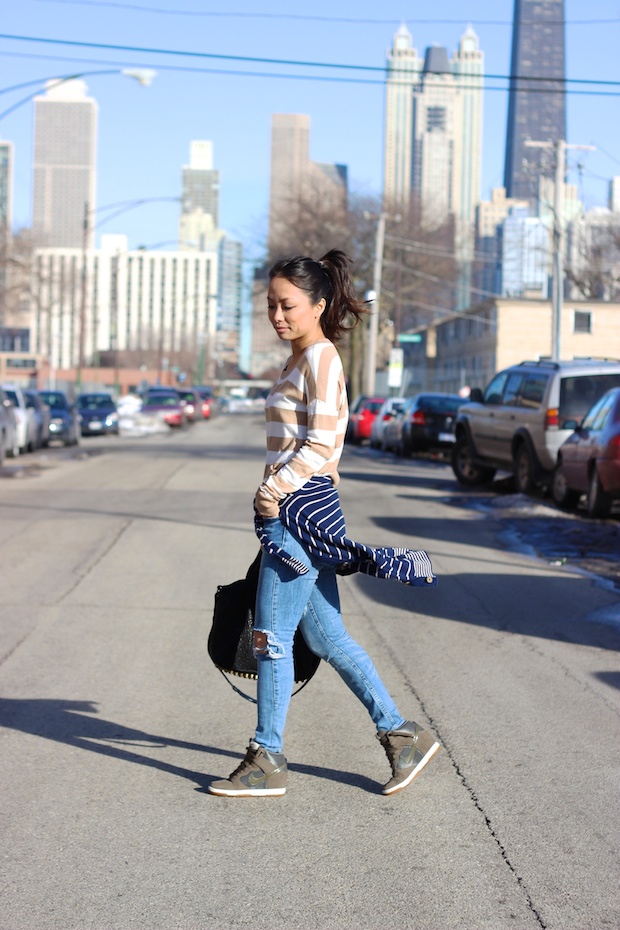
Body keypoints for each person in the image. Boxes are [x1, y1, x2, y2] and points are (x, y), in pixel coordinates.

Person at [208, 250, 441, 798]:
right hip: (293, 510)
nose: (277, 315)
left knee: (270, 638)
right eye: (270, 305)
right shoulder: (296, 360)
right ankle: (401, 736)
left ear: (318, 304)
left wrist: (272, 492)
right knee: (327, 636)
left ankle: (266, 756)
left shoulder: (321, 358)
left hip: (295, 512)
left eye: (287, 305)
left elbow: (322, 443)